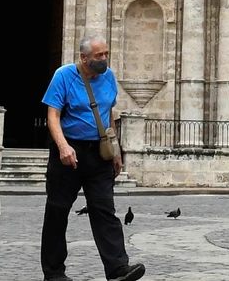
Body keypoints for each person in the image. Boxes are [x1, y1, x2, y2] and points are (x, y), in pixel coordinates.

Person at [41, 36, 144, 281]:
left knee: (104, 209)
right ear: (84, 58)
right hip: (69, 151)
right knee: (57, 212)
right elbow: (53, 115)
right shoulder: (64, 76)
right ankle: (54, 273)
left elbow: (108, 113)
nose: (104, 59)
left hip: (99, 153)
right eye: (99, 55)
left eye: (106, 54)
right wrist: (63, 146)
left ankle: (118, 268)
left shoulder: (108, 77)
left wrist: (115, 149)